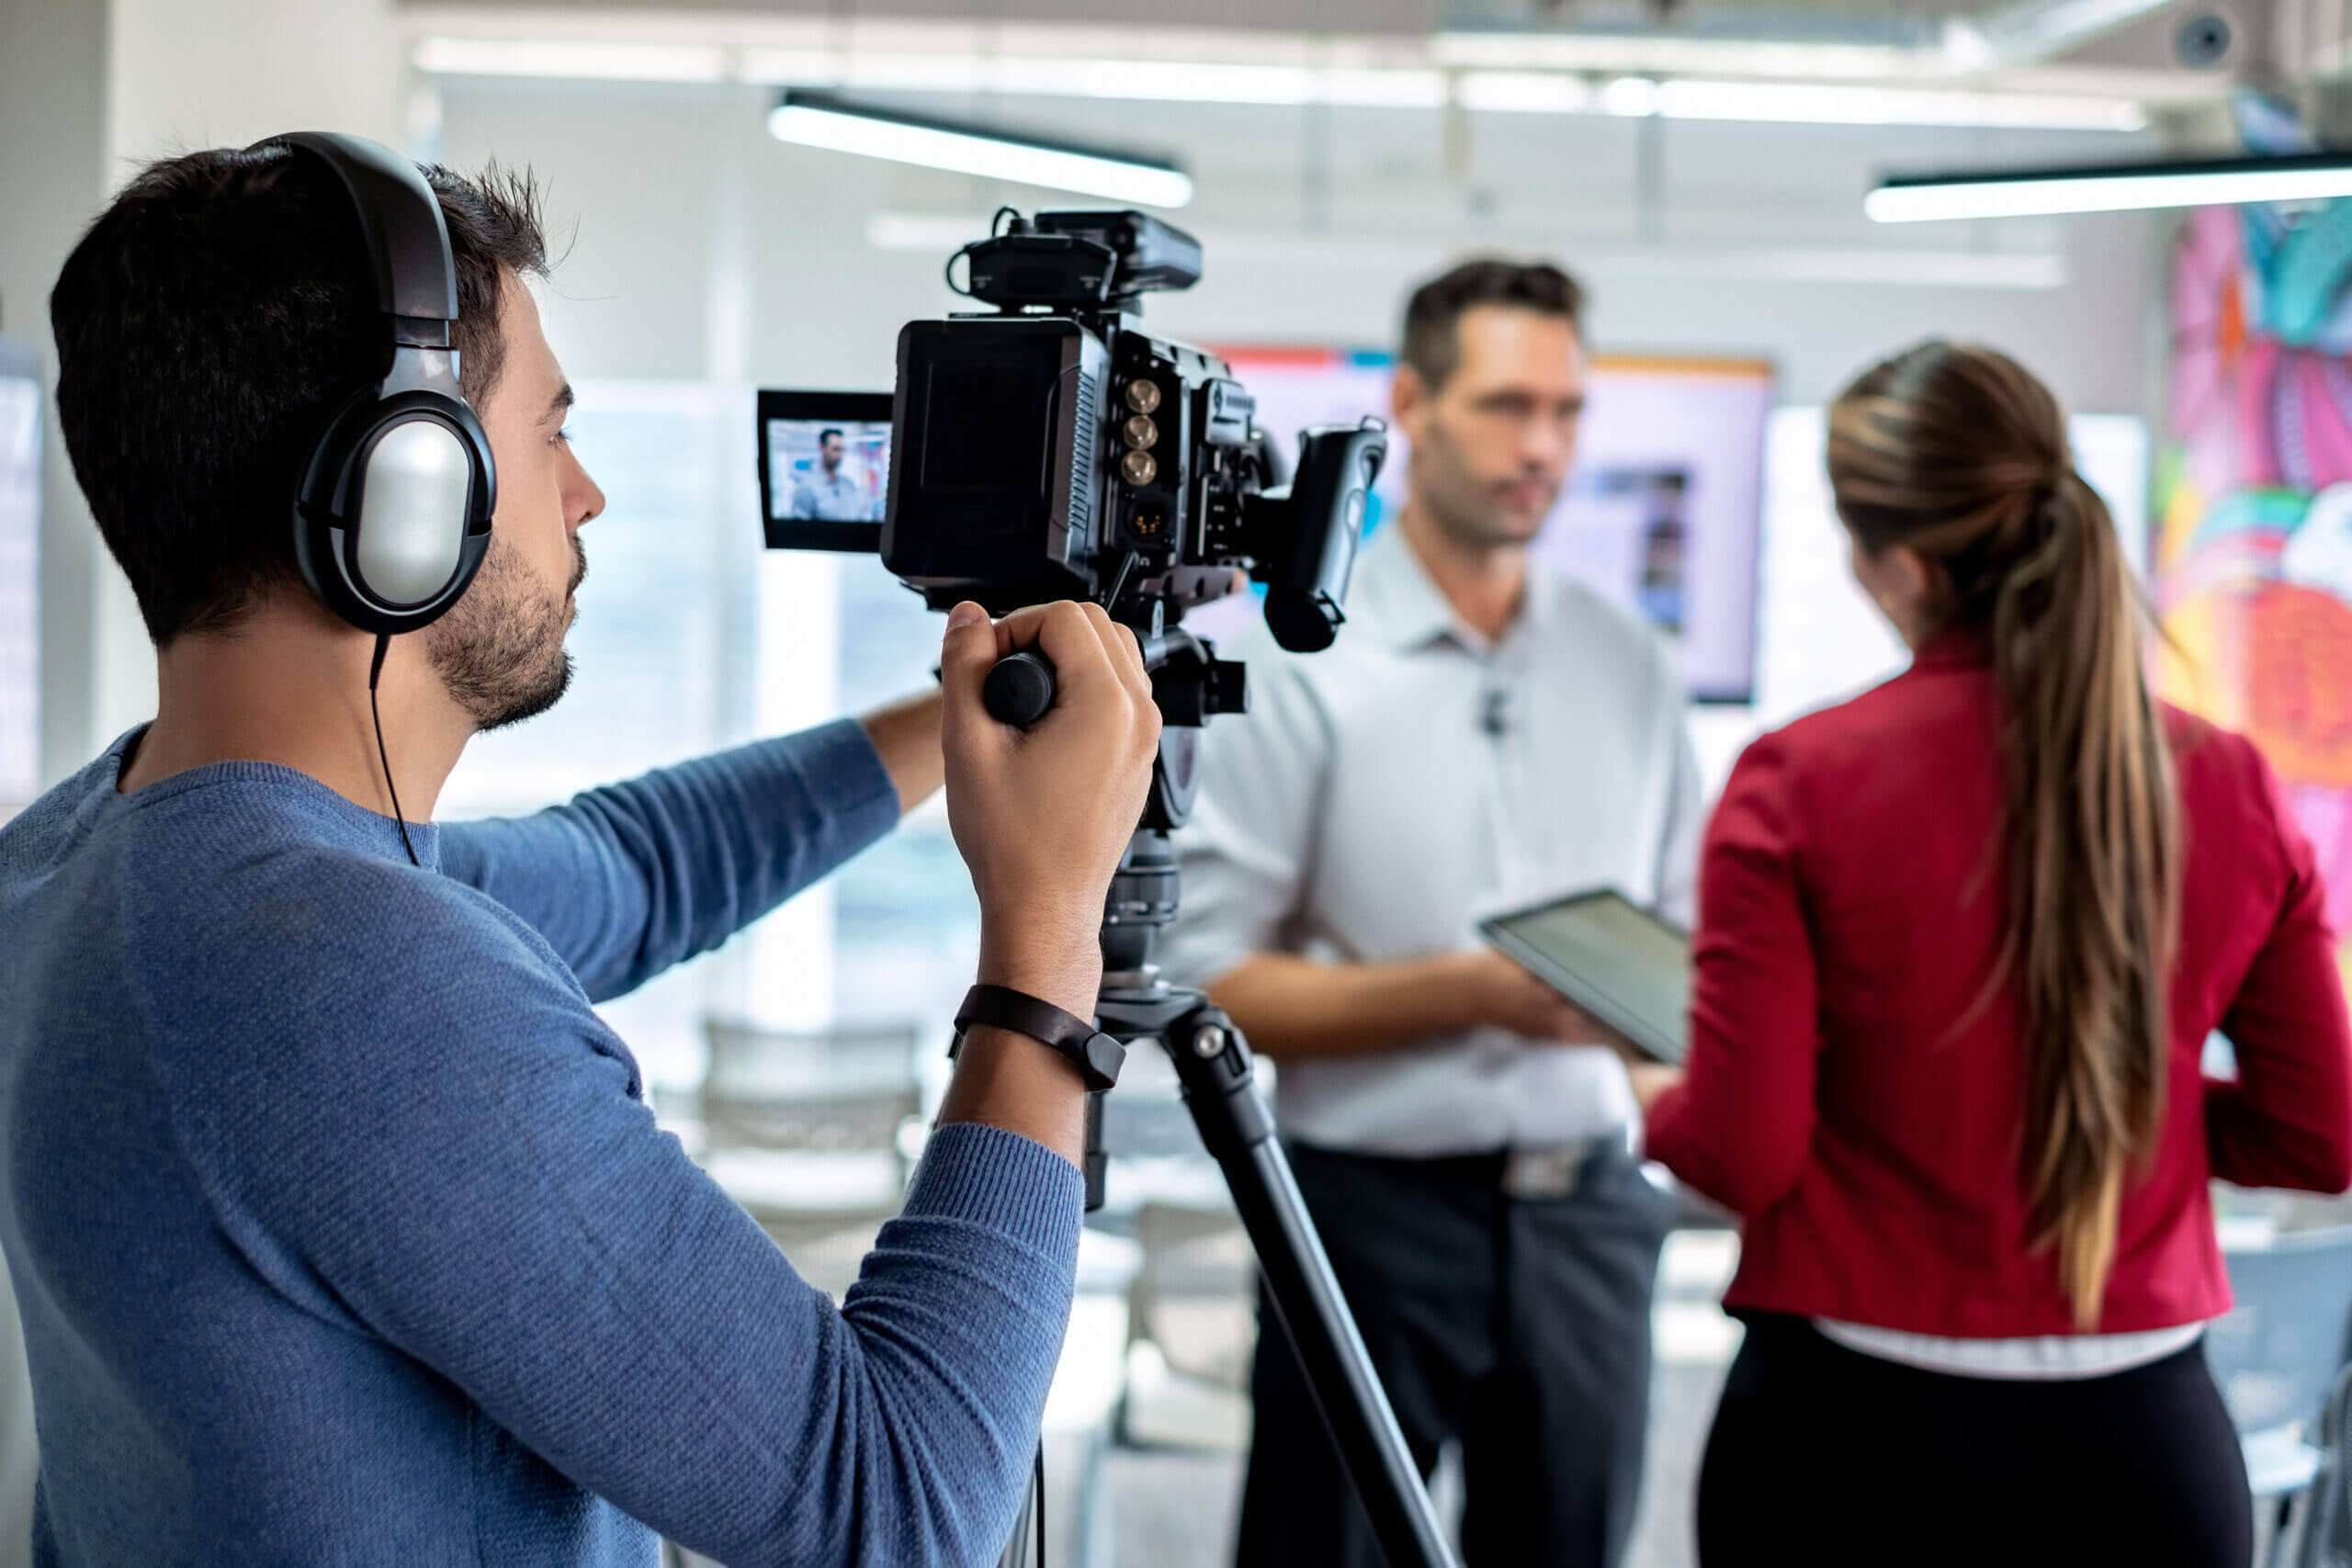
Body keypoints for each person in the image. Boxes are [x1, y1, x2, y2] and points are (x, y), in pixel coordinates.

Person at [0, 141, 1160, 1566]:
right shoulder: (342, 977)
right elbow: (902, 1508)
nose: (589, 492)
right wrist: (1047, 933)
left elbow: (638, 864)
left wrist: (964, 717)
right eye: (550, 430)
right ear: (403, 490)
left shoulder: (86, 856)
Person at [1637, 340, 2352, 1567]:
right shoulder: (2225, 780)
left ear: (1900, 564)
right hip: (2147, 1456)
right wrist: (2136, 1106)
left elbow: (1744, 1150)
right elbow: (2321, 1133)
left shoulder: (1799, 781)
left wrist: (1650, 1094)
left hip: (1853, 1443)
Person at [1167, 258, 1701, 1567]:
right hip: (1364, 1217)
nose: (1543, 446)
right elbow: (1209, 978)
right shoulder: (1305, 656)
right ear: (1413, 402)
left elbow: (1694, 956)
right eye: (1509, 405)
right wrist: (1474, 991)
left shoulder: (1627, 660)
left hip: (1591, 1218)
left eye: (1568, 412)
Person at [791, 425, 874, 521]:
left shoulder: (848, 484)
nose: (839, 455)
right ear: (822, 447)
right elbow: (799, 528)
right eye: (835, 449)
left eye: (841, 449)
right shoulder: (806, 487)